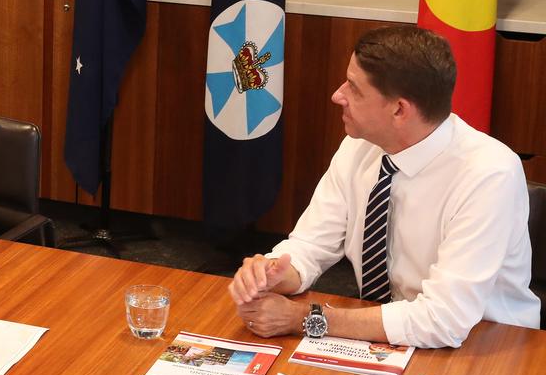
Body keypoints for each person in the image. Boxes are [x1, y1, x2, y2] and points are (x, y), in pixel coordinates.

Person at [228, 25, 539, 348]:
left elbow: (444, 320)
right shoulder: (361, 145)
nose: (338, 96)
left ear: (399, 110)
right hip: (389, 336)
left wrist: (305, 318)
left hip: (488, 347)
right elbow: (311, 245)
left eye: (354, 88)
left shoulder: (488, 174)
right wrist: (274, 271)